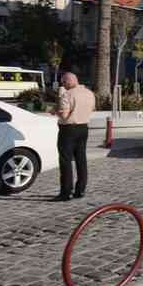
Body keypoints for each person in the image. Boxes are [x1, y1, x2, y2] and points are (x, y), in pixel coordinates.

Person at [50, 72, 95, 201]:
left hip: (68, 129)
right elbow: (92, 109)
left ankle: (66, 192)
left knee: (65, 160)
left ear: (69, 81)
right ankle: (80, 190)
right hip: (83, 128)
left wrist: (55, 111)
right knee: (81, 159)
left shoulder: (67, 94)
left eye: (64, 82)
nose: (63, 85)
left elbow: (64, 115)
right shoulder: (89, 93)